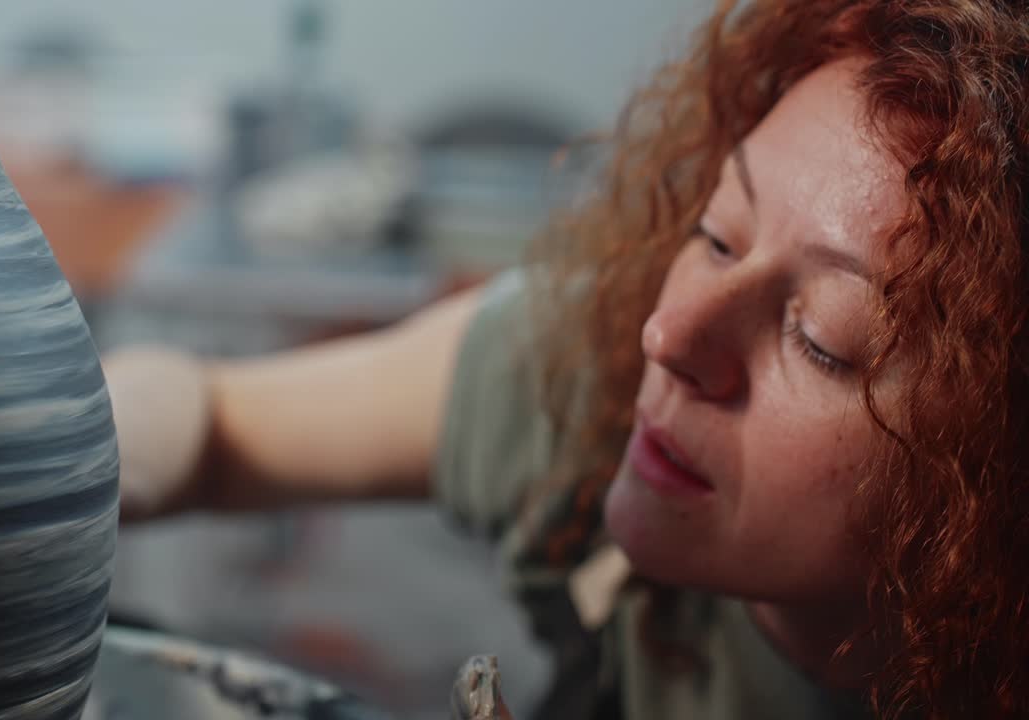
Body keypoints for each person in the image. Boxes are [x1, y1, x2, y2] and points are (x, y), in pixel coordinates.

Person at [100, 1, 1029, 718]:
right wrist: (43, 469)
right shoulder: (598, 376)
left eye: (823, 339)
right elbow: (216, 423)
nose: (670, 339)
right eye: (716, 234)